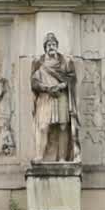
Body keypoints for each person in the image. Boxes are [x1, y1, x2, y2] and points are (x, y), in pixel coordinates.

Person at [32, 32, 79, 161]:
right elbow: (34, 82)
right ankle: (39, 156)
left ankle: (63, 158)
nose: (51, 47)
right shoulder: (39, 63)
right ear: (45, 47)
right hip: (45, 97)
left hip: (61, 96)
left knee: (63, 126)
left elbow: (72, 78)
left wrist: (62, 85)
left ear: (57, 45)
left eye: (53, 44)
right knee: (43, 126)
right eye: (48, 44)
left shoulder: (65, 62)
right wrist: (46, 88)